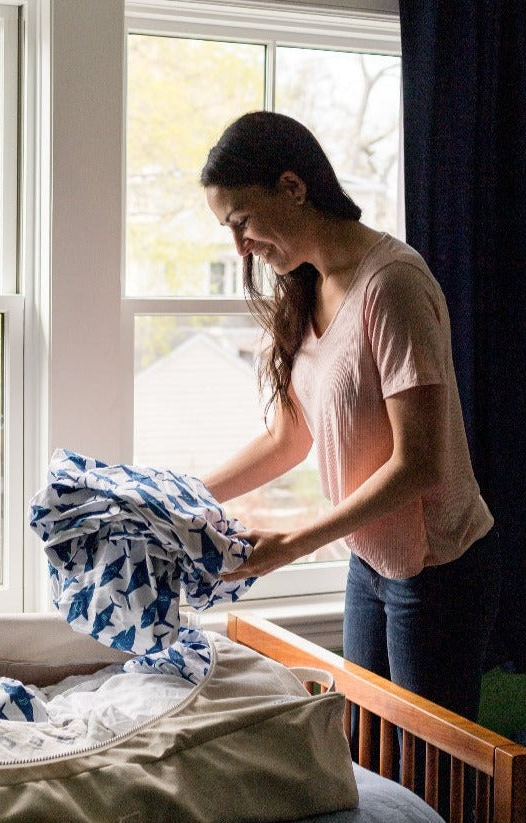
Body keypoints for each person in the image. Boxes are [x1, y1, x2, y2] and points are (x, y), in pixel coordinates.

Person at [199, 111, 500, 722]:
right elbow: (288, 438)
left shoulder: (392, 285)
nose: (239, 247)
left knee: (426, 765)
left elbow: (418, 465)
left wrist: (293, 545)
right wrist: (184, 494)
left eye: (242, 221)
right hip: (368, 561)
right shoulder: (304, 288)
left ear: (292, 187)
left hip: (436, 573)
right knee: (365, 744)